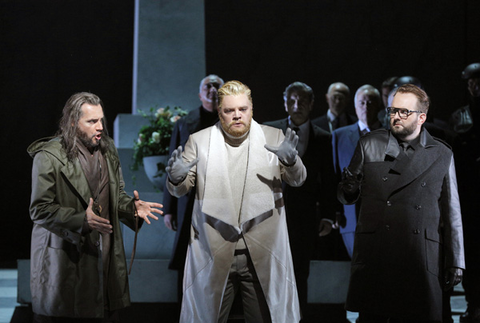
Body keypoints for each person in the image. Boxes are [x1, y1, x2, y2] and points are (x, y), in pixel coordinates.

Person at [166, 80, 306, 323]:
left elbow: (298, 180)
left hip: (262, 250)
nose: (237, 116)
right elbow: (181, 188)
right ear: (219, 112)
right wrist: (176, 177)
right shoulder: (199, 141)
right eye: (229, 110)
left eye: (243, 109)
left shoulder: (273, 137)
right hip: (214, 249)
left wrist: (292, 162)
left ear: (252, 109)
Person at [28, 92, 163, 323]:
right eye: (92, 121)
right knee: (67, 313)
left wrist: (132, 207)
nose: (100, 127)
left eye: (101, 120)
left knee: (103, 312)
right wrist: (81, 219)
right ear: (72, 122)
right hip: (66, 255)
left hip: (104, 252)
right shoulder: (48, 156)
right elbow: (40, 209)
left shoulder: (108, 149)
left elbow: (116, 196)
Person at [338, 84, 465, 322]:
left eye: (404, 112)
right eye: (393, 110)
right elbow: (347, 195)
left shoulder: (441, 153)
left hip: (420, 255)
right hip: (377, 254)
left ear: (422, 117)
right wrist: (348, 187)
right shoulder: (370, 144)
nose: (396, 116)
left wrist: (456, 260)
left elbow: (452, 211)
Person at [264, 82, 338, 321]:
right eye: (292, 101)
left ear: (312, 104)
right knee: (270, 273)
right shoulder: (268, 132)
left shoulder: (324, 137)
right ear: (285, 103)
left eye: (303, 101)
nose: (297, 106)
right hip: (271, 216)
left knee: (299, 273)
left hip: (305, 218)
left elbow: (328, 179)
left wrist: (327, 214)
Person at [162, 74, 224, 307]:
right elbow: (173, 164)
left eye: (217, 85)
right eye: (207, 86)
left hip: (221, 201)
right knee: (187, 259)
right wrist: (169, 209)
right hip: (189, 202)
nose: (212, 89)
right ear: (200, 94)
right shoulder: (184, 123)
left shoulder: (233, 121)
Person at [332, 84, 382, 259]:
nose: (366, 107)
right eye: (362, 103)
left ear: (379, 105)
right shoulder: (339, 136)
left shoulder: (391, 134)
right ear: (355, 107)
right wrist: (336, 212)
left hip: (385, 219)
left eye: (370, 103)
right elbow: (335, 176)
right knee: (358, 271)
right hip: (351, 219)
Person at [449, 62, 480, 323]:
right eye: (472, 81)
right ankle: (474, 304)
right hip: (470, 195)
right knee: (471, 251)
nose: (476, 86)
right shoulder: (460, 117)